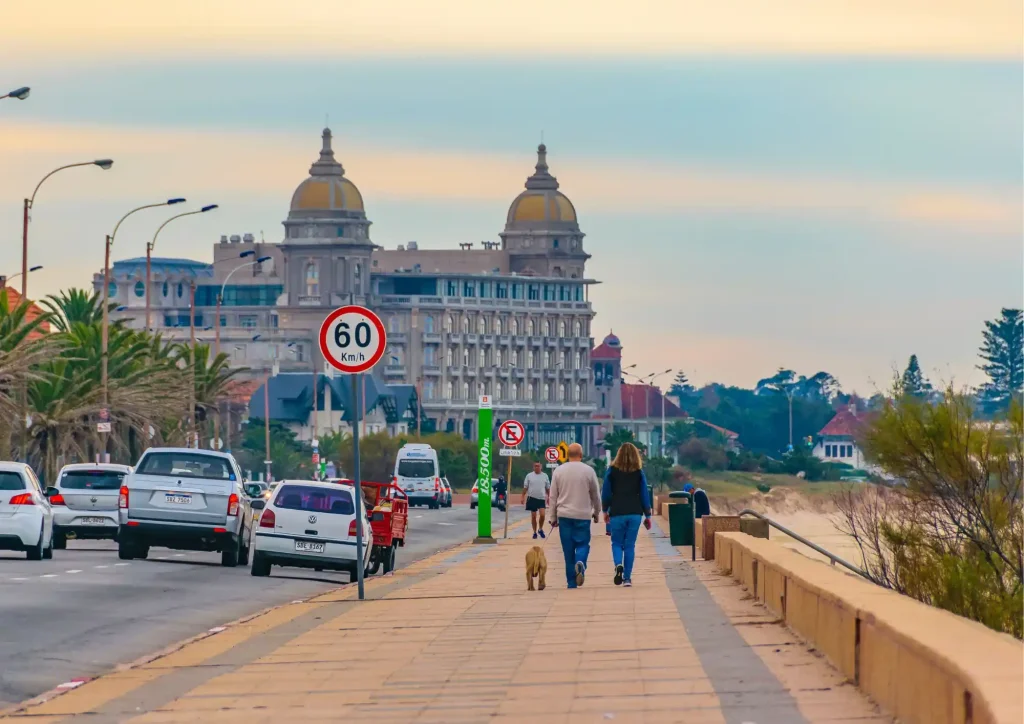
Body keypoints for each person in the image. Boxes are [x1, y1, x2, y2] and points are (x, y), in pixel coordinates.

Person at [548, 443, 602, 588]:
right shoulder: (588, 471)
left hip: (564, 516)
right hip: (583, 515)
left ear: (567, 455)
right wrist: (596, 512)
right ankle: (581, 562)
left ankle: (571, 583)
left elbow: (553, 496)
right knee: (583, 544)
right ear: (581, 455)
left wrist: (552, 517)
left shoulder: (558, 471)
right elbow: (596, 495)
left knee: (568, 549)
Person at [601, 442, 652, 587]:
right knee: (630, 545)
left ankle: (618, 565)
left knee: (616, 543)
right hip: (635, 512)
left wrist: (605, 511)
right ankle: (627, 578)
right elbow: (644, 494)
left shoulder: (611, 471)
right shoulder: (639, 472)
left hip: (617, 511)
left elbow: (605, 493)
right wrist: (648, 515)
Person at [521, 462, 550, 539]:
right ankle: (534, 532)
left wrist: (549, 497)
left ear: (541, 467)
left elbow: (547, 488)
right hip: (532, 498)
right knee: (533, 516)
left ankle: (540, 529)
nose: (537, 467)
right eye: (535, 466)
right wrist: (522, 496)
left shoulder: (545, 476)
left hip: (541, 498)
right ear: (533, 467)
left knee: (542, 515)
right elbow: (525, 487)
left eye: (538, 466)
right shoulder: (529, 476)